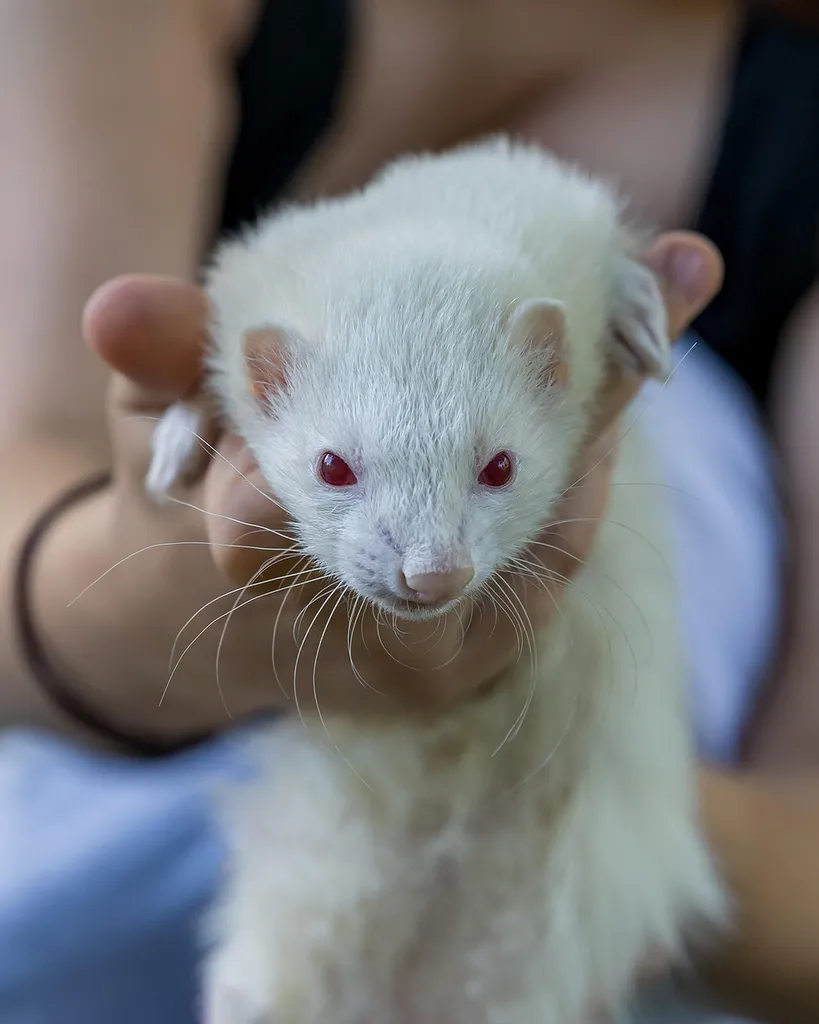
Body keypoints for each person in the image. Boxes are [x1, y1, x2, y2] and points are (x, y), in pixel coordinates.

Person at [0, 1, 818, 1022]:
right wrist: (142, 590)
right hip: (72, 846)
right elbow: (26, 474)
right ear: (261, 377)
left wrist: (556, 794)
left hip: (559, 870)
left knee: (686, 444)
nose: (431, 565)